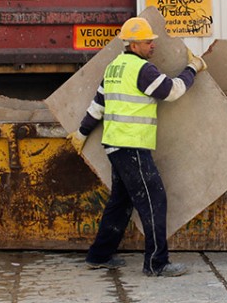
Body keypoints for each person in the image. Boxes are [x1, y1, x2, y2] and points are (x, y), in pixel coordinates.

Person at [68, 17, 207, 277]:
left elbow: (99, 105)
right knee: (154, 201)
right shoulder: (142, 70)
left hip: (115, 145)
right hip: (131, 146)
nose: (152, 45)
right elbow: (172, 91)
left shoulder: (114, 68)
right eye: (147, 42)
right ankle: (156, 264)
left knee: (120, 203)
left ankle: (99, 255)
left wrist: (82, 132)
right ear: (133, 44)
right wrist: (193, 68)